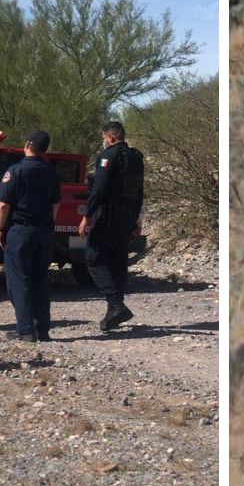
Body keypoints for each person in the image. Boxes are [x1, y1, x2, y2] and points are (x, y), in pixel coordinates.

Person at [0, 130, 61, 342]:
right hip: (44, 231)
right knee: (40, 279)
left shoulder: (16, 171)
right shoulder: (51, 172)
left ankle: (25, 330)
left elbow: (3, 205)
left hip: (21, 231)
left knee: (19, 280)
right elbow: (55, 204)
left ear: (27, 144)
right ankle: (42, 330)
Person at [78, 121, 144, 331]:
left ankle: (116, 304)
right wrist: (135, 219)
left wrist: (87, 216)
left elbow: (99, 189)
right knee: (117, 261)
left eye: (104, 138)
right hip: (126, 217)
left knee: (93, 258)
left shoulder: (109, 156)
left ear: (111, 137)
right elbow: (140, 192)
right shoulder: (135, 157)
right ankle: (113, 311)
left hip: (108, 215)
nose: (104, 141)